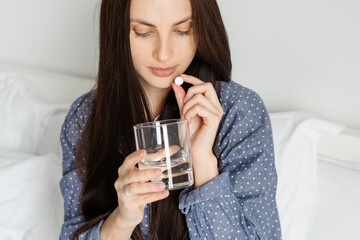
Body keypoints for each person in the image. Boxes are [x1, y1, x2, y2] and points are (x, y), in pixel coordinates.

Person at [59, 0, 282, 239]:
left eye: (182, 30)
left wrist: (204, 164)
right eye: (143, 33)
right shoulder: (85, 117)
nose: (163, 53)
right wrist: (122, 220)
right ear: (117, 31)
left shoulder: (240, 113)